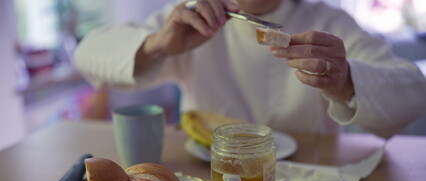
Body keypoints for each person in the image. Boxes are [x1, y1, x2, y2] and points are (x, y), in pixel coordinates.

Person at [74, 0, 426, 137]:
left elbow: (414, 93)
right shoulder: (192, 19)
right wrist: (158, 44)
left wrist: (346, 80)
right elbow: (86, 54)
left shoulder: (330, 21)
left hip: (309, 179)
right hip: (209, 178)